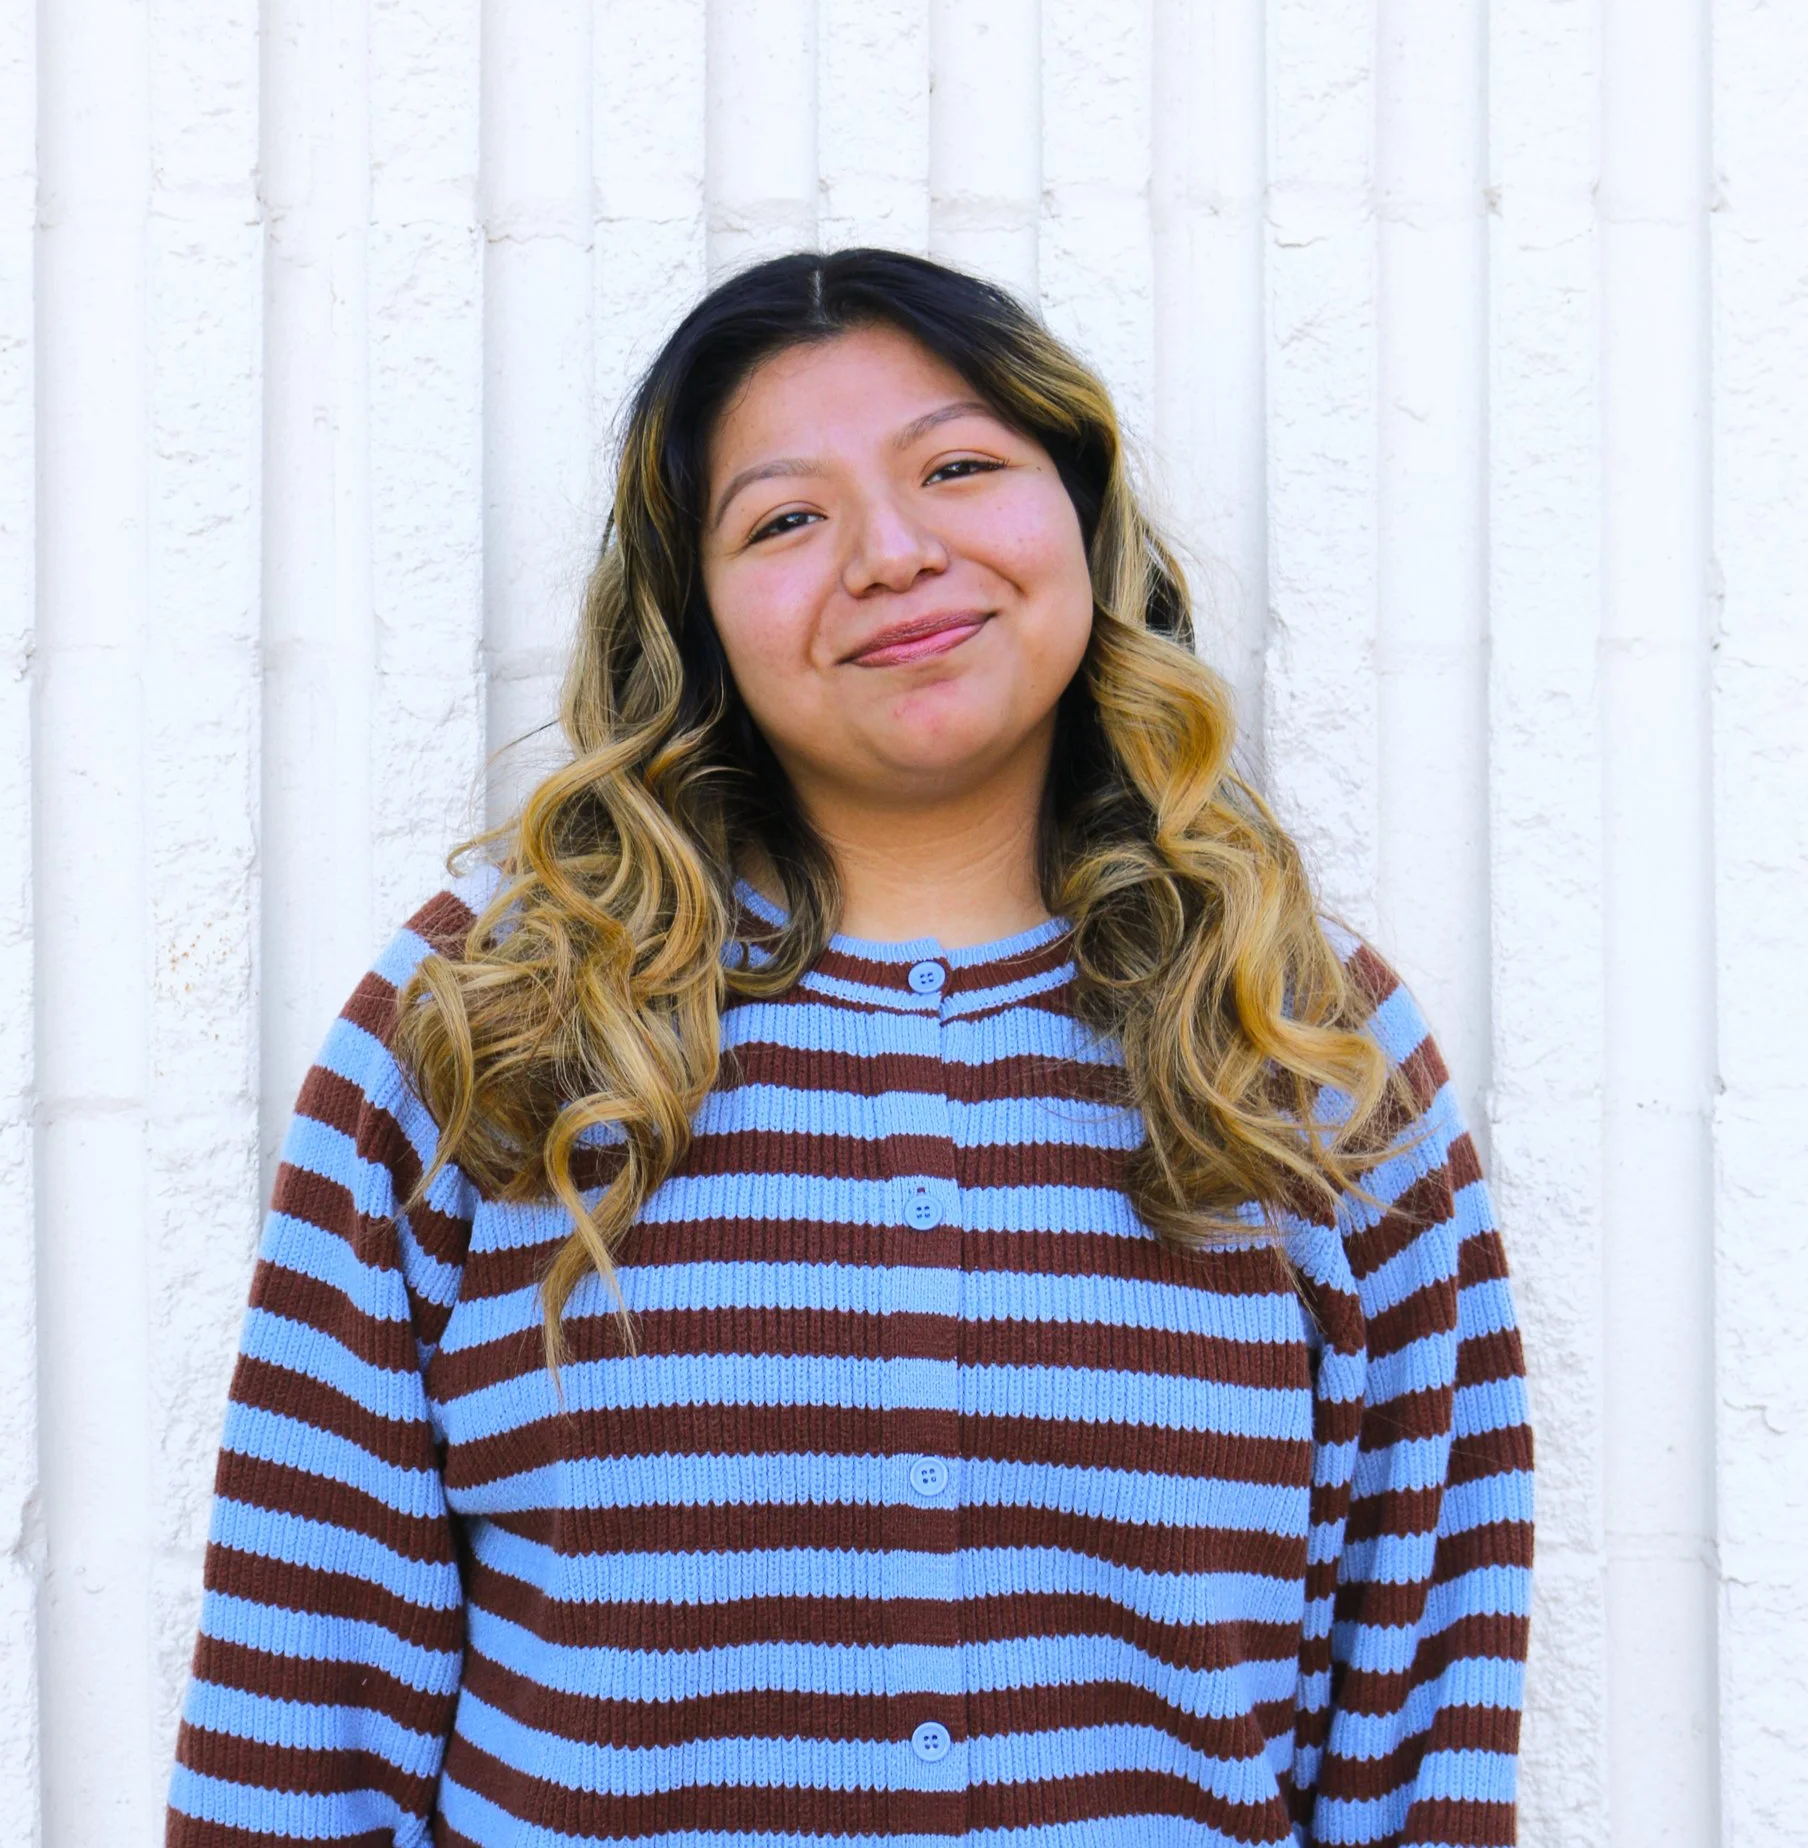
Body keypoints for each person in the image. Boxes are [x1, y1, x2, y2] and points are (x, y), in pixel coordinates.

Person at [165, 249, 1532, 1848]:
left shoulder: (1298, 1038)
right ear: (695, 616)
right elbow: (303, 1689)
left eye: (958, 468)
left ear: (1081, 518)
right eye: (784, 521)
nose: (892, 554)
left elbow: (1421, 1713)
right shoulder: (491, 1018)